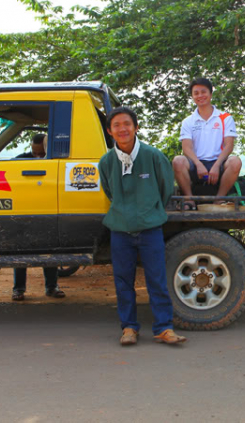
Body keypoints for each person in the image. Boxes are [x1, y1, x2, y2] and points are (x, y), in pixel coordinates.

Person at [99, 106, 186, 346]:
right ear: (110, 131)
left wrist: (147, 211)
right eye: (116, 125)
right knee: (123, 281)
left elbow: (165, 189)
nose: (122, 129)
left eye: (127, 124)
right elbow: (109, 191)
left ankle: (163, 328)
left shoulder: (153, 156)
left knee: (156, 279)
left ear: (136, 127)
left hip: (150, 229)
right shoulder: (106, 162)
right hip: (120, 230)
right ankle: (129, 328)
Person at [172, 77, 242, 208]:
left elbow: (229, 145)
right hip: (196, 165)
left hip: (218, 164)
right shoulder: (188, 121)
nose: (200, 96)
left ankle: (219, 199)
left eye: (203, 92)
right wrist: (198, 164)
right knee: (178, 160)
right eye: (196, 93)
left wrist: (216, 165)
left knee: (235, 161)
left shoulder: (225, 117)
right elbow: (186, 147)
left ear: (210, 93)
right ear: (192, 96)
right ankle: (189, 199)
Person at [12, 133, 65, 301]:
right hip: (23, 212)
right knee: (20, 251)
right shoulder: (20, 160)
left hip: (47, 212)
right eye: (35, 152)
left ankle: (52, 287)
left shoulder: (54, 160)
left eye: (41, 153)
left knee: (49, 251)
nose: (38, 156)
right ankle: (18, 289)